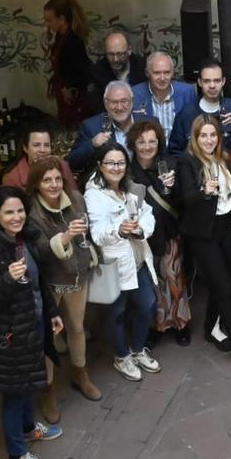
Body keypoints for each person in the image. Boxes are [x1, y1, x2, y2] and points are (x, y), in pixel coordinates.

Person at [0, 186, 64, 459]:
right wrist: (8, 278)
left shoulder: (23, 238)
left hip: (30, 322)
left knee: (28, 381)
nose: (16, 217)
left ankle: (27, 428)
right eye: (9, 212)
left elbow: (38, 281)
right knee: (13, 390)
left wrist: (53, 312)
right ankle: (16, 456)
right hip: (7, 332)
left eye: (20, 210)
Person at [177, 116, 231, 374]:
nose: (209, 140)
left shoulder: (225, 159)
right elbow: (186, 198)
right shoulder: (187, 162)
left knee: (224, 280)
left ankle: (211, 327)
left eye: (213, 135)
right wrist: (204, 190)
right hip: (203, 233)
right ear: (195, 138)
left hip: (227, 229)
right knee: (224, 287)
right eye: (203, 136)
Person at [25, 157, 100, 414]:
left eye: (58, 178)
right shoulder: (32, 212)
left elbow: (87, 233)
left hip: (76, 275)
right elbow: (40, 253)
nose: (54, 184)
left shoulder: (77, 200)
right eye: (47, 180)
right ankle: (48, 390)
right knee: (49, 336)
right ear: (36, 184)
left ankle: (80, 373)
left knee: (77, 328)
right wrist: (66, 236)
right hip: (49, 282)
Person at [85, 142, 162, 382]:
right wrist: (118, 229)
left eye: (120, 162)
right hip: (114, 265)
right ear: (100, 165)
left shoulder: (131, 188)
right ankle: (121, 356)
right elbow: (96, 233)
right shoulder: (93, 195)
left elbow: (148, 214)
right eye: (110, 163)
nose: (116, 167)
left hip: (137, 260)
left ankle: (138, 349)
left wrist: (141, 230)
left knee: (148, 305)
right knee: (116, 312)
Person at [127, 120, 190, 346]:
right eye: (141, 141)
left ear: (159, 142)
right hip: (141, 239)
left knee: (173, 280)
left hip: (169, 233)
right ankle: (155, 326)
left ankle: (180, 323)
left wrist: (172, 188)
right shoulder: (126, 172)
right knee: (149, 286)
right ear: (132, 144)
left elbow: (183, 203)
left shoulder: (170, 164)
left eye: (152, 141)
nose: (146, 146)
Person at [169, 59, 231, 155]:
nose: (212, 86)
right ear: (200, 82)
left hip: (228, 167)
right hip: (196, 168)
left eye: (217, 81)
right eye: (207, 81)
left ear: (223, 81)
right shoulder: (186, 114)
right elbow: (175, 151)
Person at [68, 81, 144, 171]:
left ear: (132, 101)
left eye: (124, 101)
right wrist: (92, 144)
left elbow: (161, 158)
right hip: (107, 183)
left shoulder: (148, 122)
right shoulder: (91, 126)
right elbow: (72, 162)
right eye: (114, 102)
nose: (119, 107)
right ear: (106, 103)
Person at [42, 0, 94, 126]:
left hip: (74, 97)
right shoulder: (59, 38)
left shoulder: (74, 41)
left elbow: (84, 71)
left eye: (49, 20)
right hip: (63, 92)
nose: (47, 24)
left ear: (61, 19)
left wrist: (69, 88)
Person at [131, 52, 197, 139]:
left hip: (179, 150)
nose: (162, 78)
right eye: (157, 73)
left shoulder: (187, 92)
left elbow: (194, 126)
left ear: (173, 73)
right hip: (148, 149)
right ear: (147, 73)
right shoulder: (135, 93)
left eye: (167, 72)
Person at [3, 123, 76, 191]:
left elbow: (74, 197)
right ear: (25, 148)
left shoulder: (62, 165)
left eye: (47, 145)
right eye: (36, 145)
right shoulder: (12, 178)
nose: (42, 150)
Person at [90, 31, 145, 97]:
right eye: (110, 54)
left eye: (120, 54)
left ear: (129, 51)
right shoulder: (97, 72)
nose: (115, 59)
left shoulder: (142, 66)